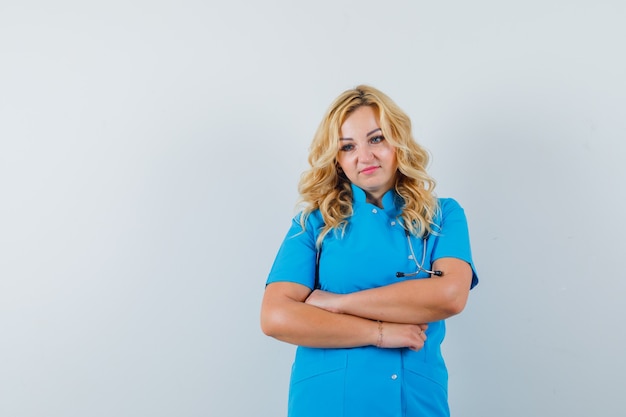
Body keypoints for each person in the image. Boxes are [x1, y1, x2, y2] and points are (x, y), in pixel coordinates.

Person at [260, 85, 478, 417]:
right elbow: (275, 316)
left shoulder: (442, 214)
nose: (365, 156)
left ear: (398, 142)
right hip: (328, 402)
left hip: (414, 400)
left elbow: (449, 295)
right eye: (348, 146)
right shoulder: (313, 223)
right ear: (337, 159)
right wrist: (380, 333)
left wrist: (337, 303)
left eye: (376, 139)